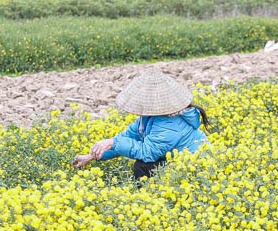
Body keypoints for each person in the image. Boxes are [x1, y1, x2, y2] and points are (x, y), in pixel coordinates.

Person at [72, 69, 209, 180]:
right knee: (142, 164)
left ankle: (152, 202)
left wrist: (112, 143)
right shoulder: (150, 117)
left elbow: (147, 152)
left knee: (143, 165)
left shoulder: (170, 123)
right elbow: (129, 137)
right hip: (175, 161)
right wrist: (92, 156)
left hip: (195, 167)